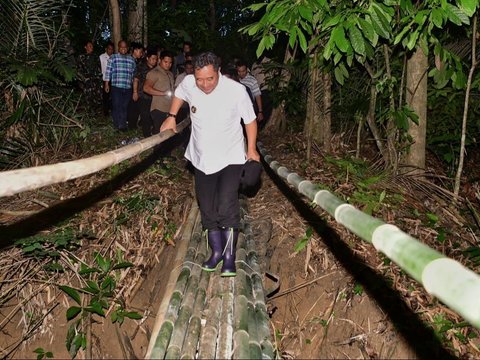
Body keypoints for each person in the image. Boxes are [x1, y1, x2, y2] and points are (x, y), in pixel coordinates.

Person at [160, 51, 260, 277]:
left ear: (219, 72)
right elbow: (180, 93)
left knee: (226, 207)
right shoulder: (188, 82)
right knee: (207, 209)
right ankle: (215, 253)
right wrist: (172, 115)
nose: (204, 84)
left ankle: (229, 258)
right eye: (199, 79)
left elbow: (250, 121)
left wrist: (251, 148)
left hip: (230, 158)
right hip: (201, 158)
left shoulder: (236, 91)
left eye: (209, 79)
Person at [104, 40, 136, 131]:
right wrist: (107, 84)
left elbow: (133, 74)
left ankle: (122, 126)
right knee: (116, 105)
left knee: (124, 106)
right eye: (121, 47)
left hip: (128, 87)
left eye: (125, 47)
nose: (123, 49)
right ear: (118, 48)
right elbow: (108, 71)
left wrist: (134, 88)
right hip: (116, 87)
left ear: (127, 48)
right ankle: (116, 125)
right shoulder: (113, 58)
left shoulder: (131, 59)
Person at [143, 50, 174, 136]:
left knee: (167, 133)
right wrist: (163, 93)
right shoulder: (154, 73)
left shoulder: (170, 74)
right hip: (158, 109)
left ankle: (164, 149)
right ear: (160, 60)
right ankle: (156, 149)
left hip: (169, 108)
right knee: (159, 133)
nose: (168, 64)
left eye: (170, 63)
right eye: (166, 62)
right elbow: (146, 88)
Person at [133, 47, 158, 138]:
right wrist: (135, 92)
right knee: (145, 115)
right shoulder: (141, 67)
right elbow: (135, 79)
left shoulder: (157, 69)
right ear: (147, 58)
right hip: (143, 95)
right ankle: (147, 136)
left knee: (153, 115)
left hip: (154, 96)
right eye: (152, 59)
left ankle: (153, 131)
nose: (154, 61)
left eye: (156, 59)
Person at [77, 40, 102, 107]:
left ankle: (96, 113)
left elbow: (99, 69)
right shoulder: (81, 57)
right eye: (90, 46)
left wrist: (99, 79)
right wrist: (83, 80)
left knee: (97, 100)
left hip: (95, 82)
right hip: (86, 82)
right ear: (85, 47)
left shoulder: (96, 57)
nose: (91, 47)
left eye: (92, 46)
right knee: (87, 99)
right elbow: (78, 70)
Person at [99, 41, 114, 116]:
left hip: (113, 80)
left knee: (112, 96)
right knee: (105, 96)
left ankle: (112, 111)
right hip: (105, 79)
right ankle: (105, 112)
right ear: (106, 49)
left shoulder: (114, 57)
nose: (110, 50)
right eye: (109, 49)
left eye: (112, 49)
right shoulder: (101, 57)